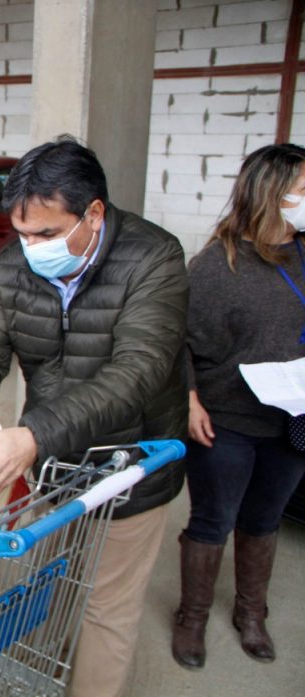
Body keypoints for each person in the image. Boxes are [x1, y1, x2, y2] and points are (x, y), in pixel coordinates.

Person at [0, 136, 188, 697]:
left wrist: (34, 434)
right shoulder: (14, 264)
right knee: (49, 582)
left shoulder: (154, 258)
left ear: (93, 213)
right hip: (55, 461)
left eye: (47, 234)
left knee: (106, 609)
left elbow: (138, 371)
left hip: (133, 465)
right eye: (22, 233)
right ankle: (38, 678)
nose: (31, 248)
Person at [172, 143, 305, 670]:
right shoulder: (214, 265)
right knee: (213, 519)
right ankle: (192, 618)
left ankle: (252, 614)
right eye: (302, 188)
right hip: (226, 420)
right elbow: (175, 338)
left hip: (293, 421)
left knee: (265, 518)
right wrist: (188, 398)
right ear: (271, 194)